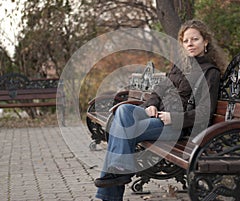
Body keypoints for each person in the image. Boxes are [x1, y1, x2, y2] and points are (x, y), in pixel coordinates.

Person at [94, 19, 228, 201]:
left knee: (123, 130)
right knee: (124, 111)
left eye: (195, 39)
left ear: (205, 42)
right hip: (156, 115)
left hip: (177, 127)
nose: (190, 44)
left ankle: (113, 184)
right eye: (186, 40)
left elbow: (205, 112)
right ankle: (120, 168)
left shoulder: (210, 72)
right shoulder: (180, 66)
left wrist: (174, 118)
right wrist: (151, 104)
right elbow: (159, 90)